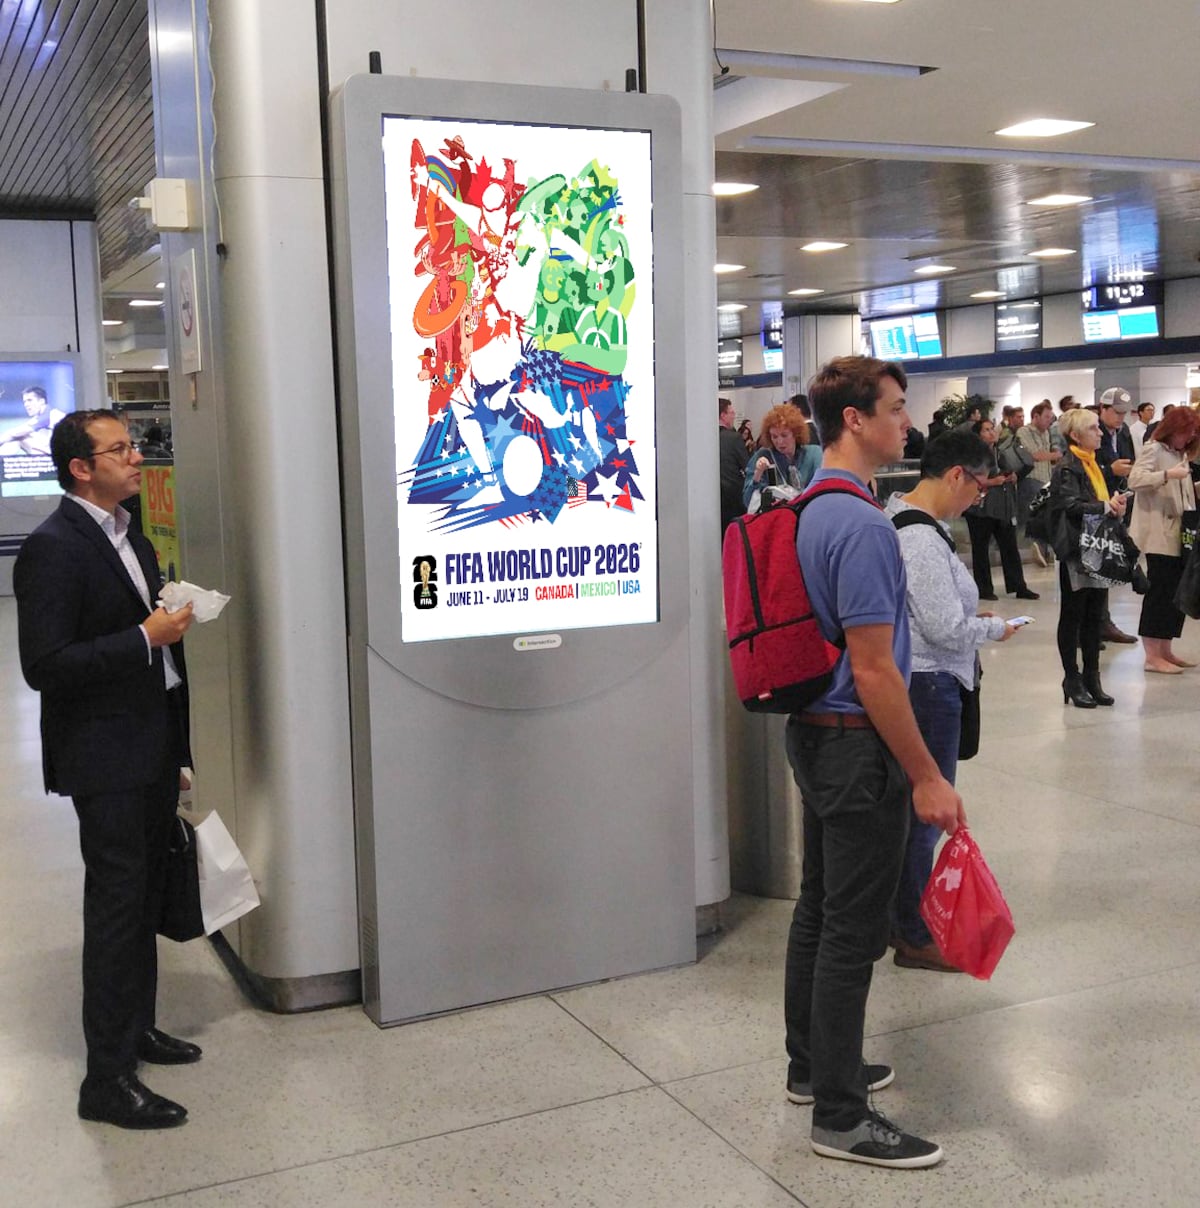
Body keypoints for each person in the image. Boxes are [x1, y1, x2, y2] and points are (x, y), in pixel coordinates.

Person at [783, 355, 963, 1170]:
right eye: (894, 409)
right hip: (858, 746)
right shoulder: (859, 523)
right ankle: (841, 1116)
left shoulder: (811, 507)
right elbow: (877, 668)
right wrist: (926, 773)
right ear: (853, 420)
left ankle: (813, 1066)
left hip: (819, 735)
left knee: (820, 907)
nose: (906, 424)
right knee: (852, 931)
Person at [13, 410, 199, 1130]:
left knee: (146, 894)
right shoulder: (54, 550)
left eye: (133, 444)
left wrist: (179, 751)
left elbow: (158, 651)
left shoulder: (133, 537)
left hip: (151, 746)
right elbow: (46, 666)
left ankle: (138, 1029)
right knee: (118, 907)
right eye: (119, 449)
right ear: (80, 468)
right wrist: (142, 637)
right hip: (105, 757)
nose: (136, 457)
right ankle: (107, 1078)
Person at [884, 430, 1017, 972]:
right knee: (927, 810)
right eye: (979, 487)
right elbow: (941, 628)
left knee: (912, 812)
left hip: (921, 681)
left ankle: (903, 921)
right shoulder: (918, 538)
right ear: (957, 474)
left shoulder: (909, 523)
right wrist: (993, 629)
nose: (977, 498)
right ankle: (913, 935)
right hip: (930, 685)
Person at [1046, 407, 1129, 708]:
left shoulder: (1096, 465)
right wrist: (1105, 507)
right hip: (1076, 549)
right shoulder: (1068, 467)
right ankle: (1072, 677)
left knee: (1095, 615)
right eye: (1093, 428)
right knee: (1073, 615)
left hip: (1097, 547)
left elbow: (1096, 501)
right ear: (1075, 435)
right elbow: (1070, 505)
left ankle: (1093, 677)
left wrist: (1113, 504)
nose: (1099, 432)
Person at [1127, 405, 1200, 673]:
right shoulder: (1154, 449)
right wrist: (1167, 475)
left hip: (1181, 533)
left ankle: (1166, 649)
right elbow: (1135, 479)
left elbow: (1180, 488)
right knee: (1159, 591)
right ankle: (1151, 655)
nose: (1189, 438)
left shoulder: (1180, 453)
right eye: (1186, 432)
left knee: (1176, 593)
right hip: (1158, 533)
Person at [963, 419, 1039, 602]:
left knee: (1010, 546)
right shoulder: (972, 455)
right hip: (980, 508)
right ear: (978, 435)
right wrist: (991, 482)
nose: (991, 433)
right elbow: (967, 477)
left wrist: (1014, 476)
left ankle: (1018, 586)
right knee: (981, 549)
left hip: (1003, 505)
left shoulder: (1001, 452)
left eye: (992, 429)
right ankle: (984, 589)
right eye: (986, 430)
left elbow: (1017, 468)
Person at [1095, 388, 1139, 644]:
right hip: (1094, 505)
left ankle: (1103, 621)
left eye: (1124, 413)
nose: (1121, 418)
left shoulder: (1122, 433)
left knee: (1107, 564)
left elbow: (1129, 460)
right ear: (1103, 408)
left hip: (1116, 502)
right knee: (1091, 567)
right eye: (1117, 412)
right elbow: (1083, 468)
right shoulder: (1091, 430)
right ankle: (1089, 626)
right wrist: (1108, 469)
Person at [742, 402, 821, 512]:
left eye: (784, 435)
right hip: (777, 522)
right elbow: (747, 501)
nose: (779, 441)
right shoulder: (763, 456)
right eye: (774, 436)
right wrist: (757, 475)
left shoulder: (814, 454)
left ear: (796, 433)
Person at [1017, 400, 1063, 565]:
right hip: (1032, 479)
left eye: (1051, 417)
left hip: (1046, 479)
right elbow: (1035, 455)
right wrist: (1056, 455)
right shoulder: (1024, 432)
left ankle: (1043, 550)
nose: (1049, 421)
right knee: (1035, 515)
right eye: (1046, 417)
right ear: (1035, 416)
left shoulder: (1046, 433)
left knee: (1046, 515)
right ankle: (1035, 546)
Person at [0, 385, 67, 455]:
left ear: (42, 401)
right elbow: (17, 431)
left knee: (19, 436)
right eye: (24, 402)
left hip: (65, 457)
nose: (26, 404)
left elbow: (15, 433)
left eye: (30, 400)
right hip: (58, 453)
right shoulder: (42, 416)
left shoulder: (50, 415)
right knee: (20, 435)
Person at [718, 397, 750, 534]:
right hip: (733, 500)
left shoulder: (704, 438)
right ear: (723, 415)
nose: (734, 415)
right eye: (731, 412)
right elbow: (747, 466)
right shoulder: (734, 438)